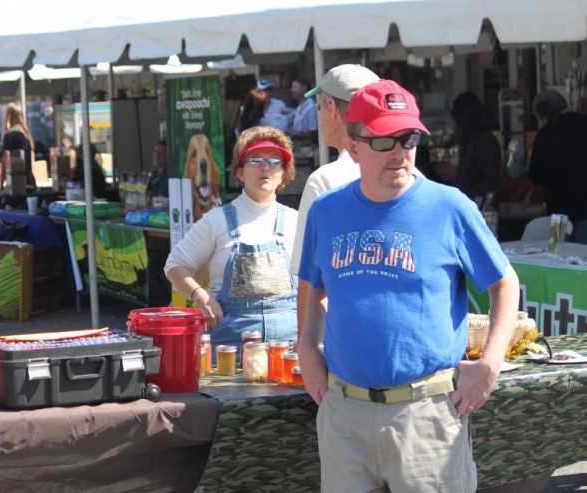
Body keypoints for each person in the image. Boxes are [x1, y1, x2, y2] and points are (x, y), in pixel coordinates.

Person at [297, 79, 520, 492]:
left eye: (409, 137)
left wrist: (490, 363)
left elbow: (505, 283)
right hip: (345, 414)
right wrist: (306, 345)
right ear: (353, 145)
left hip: (427, 416)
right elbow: (316, 286)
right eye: (385, 140)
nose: (400, 152)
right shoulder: (326, 211)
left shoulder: (450, 206)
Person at [165, 126, 298, 354]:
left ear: (284, 174)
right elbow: (174, 266)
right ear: (239, 172)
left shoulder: (298, 221)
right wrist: (202, 297)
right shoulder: (216, 220)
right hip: (230, 349)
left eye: (275, 162)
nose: (265, 167)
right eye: (255, 160)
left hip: (288, 349)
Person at [290, 64, 380, 341]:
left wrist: (308, 351)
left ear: (330, 108)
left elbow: (308, 283)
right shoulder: (412, 176)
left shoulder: (325, 180)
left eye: (318, 107)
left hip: (343, 345)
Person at [528, 89, 587, 242]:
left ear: (544, 116)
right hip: (585, 212)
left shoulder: (546, 134)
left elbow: (535, 175)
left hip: (558, 214)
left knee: (555, 253)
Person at [450, 92, 503, 203]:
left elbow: (493, 182)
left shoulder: (484, 141)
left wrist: (466, 191)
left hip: (477, 205)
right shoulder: (472, 140)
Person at [0, 102, 36, 189]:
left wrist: (1, 185)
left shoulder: (9, 136)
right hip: (30, 181)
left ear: (8, 116)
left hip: (16, 182)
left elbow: (4, 162)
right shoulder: (27, 136)